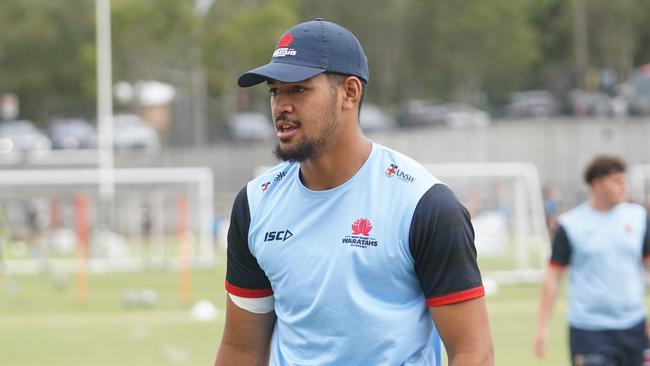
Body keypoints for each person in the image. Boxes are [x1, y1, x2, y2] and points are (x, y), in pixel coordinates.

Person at [216, 18, 494, 366]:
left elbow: (473, 352)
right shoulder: (256, 203)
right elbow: (242, 348)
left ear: (350, 92)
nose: (280, 106)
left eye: (298, 89)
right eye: (275, 91)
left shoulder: (423, 204)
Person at [534, 155, 650, 365]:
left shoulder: (639, 217)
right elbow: (553, 277)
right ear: (596, 184)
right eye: (616, 181)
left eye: (624, 181)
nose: (623, 186)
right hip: (589, 332)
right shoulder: (570, 225)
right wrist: (543, 326)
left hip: (635, 328)